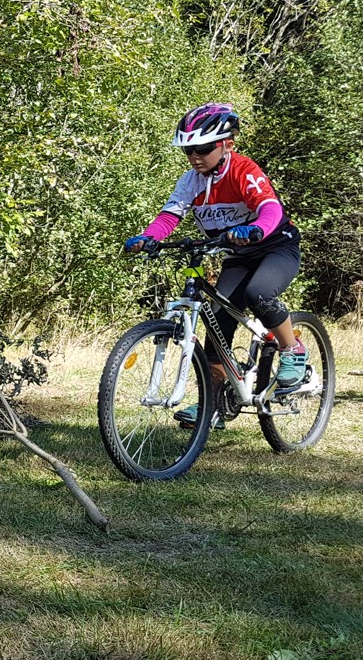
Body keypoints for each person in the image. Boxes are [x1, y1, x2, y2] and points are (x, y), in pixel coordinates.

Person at [124, 102, 308, 429]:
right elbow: (169, 217)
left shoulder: (243, 170)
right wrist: (147, 237)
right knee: (217, 320)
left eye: (203, 149)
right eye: (188, 151)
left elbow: (270, 209)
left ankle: (292, 349)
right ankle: (214, 405)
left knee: (258, 293)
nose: (195, 157)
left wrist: (255, 229)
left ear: (227, 145)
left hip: (276, 247)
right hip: (238, 256)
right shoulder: (190, 181)